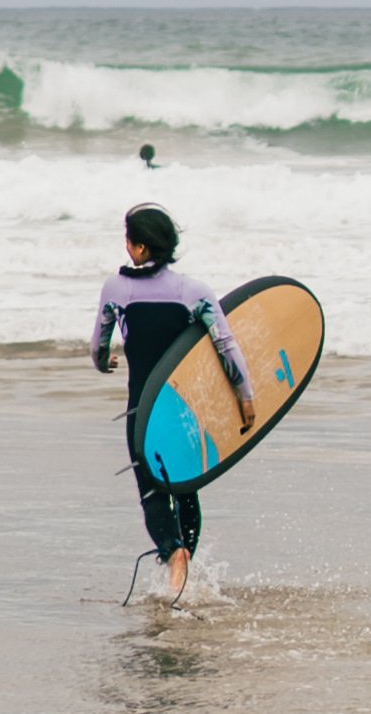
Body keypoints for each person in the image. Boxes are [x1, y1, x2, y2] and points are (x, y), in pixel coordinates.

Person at [91, 204, 255, 592]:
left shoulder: (117, 289)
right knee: (184, 487)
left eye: (130, 240)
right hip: (184, 412)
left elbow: (99, 342)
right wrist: (244, 396)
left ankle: (173, 553)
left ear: (142, 248)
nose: (127, 246)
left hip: (141, 410)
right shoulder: (192, 291)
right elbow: (226, 346)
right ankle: (185, 571)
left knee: (150, 492)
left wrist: (103, 363)